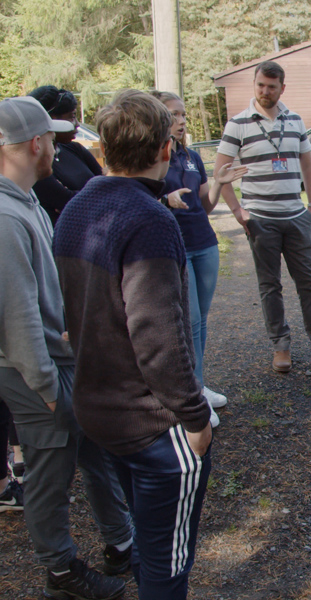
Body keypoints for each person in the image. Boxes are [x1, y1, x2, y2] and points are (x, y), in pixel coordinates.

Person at [53, 90, 213, 600]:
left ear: (104, 149)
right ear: (167, 149)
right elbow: (159, 339)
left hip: (98, 410)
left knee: (148, 543)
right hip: (149, 425)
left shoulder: (77, 209)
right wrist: (195, 416)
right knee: (168, 563)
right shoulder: (150, 221)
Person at [0, 96, 132, 599]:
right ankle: (60, 573)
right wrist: (46, 389)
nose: (58, 147)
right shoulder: (6, 216)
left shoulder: (26, 199)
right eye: (53, 139)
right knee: (51, 474)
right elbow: (16, 314)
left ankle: (121, 544)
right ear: (36, 143)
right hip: (33, 370)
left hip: (57, 360)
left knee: (96, 452)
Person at [214, 60, 311, 375]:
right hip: (260, 220)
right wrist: (238, 212)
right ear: (254, 85)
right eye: (260, 85)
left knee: (310, 283)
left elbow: (308, 165)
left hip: (296, 217)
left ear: (282, 87)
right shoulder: (238, 124)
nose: (265, 91)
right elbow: (220, 173)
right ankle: (280, 346)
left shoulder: (295, 120)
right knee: (270, 286)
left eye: (271, 86)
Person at [152, 91, 246, 428]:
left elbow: (204, 206)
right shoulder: (151, 156)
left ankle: (199, 384)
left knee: (201, 320)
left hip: (204, 243)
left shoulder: (191, 156)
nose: (180, 121)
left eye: (182, 115)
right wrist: (165, 199)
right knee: (188, 322)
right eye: (172, 115)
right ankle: (191, 396)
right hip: (173, 247)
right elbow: (144, 198)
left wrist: (218, 184)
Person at [28, 85, 104, 225]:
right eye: (71, 117)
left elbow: (108, 183)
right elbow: (66, 201)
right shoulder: (37, 164)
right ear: (51, 119)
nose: (76, 124)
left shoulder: (75, 149)